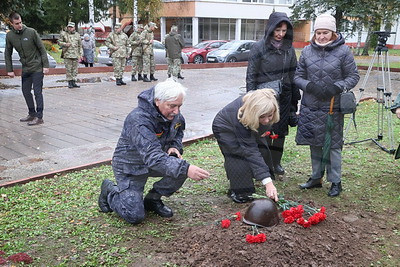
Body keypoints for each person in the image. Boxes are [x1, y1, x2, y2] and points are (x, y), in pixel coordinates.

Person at [98, 79, 210, 224]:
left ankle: (153, 199)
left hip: (155, 163)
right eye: (172, 106)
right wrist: (186, 169)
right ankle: (110, 191)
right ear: (157, 101)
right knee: (134, 216)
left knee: (179, 169)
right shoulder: (138, 120)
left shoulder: (174, 115)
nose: (177, 111)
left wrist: (175, 146)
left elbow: (178, 131)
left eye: (179, 106)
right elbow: (153, 157)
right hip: (131, 167)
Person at [294, 14, 360, 197]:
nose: (321, 36)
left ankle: (335, 181)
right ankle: (316, 177)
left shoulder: (344, 51)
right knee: (314, 143)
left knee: (333, 145)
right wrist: (310, 86)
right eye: (318, 33)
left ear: (333, 33)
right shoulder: (307, 51)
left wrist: (335, 87)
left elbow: (353, 77)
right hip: (310, 105)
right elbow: (298, 76)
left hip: (332, 107)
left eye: (325, 33)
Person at [246, 12, 300, 176]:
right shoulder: (259, 47)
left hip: (283, 97)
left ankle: (276, 163)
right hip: (264, 97)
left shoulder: (289, 49)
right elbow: (251, 75)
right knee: (263, 133)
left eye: (284, 31)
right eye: (277, 30)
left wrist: (293, 102)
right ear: (271, 28)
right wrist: (251, 99)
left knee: (280, 133)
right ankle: (263, 166)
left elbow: (293, 75)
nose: (280, 34)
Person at [212, 89, 280, 203]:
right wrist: (268, 183)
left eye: (270, 115)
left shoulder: (269, 101)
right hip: (225, 127)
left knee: (261, 149)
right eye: (262, 117)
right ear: (255, 114)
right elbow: (250, 151)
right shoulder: (241, 116)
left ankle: (257, 176)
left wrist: (263, 129)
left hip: (248, 123)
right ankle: (239, 191)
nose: (267, 120)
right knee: (237, 155)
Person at [5, 11, 49, 126]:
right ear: (11, 23)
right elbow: (7, 53)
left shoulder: (31, 32)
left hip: (37, 67)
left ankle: (39, 117)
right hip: (26, 68)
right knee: (25, 91)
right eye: (16, 23)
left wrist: (45, 66)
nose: (19, 25)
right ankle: (32, 114)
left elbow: (42, 49)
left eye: (20, 22)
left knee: (37, 92)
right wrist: (9, 69)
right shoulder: (10, 36)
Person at [58, 22, 82, 88]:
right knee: (68, 69)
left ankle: (74, 81)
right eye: (69, 27)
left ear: (74, 27)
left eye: (71, 27)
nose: (70, 28)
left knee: (75, 69)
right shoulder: (64, 34)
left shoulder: (77, 35)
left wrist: (81, 54)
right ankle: (69, 82)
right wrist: (65, 44)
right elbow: (59, 42)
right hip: (67, 54)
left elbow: (80, 45)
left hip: (75, 54)